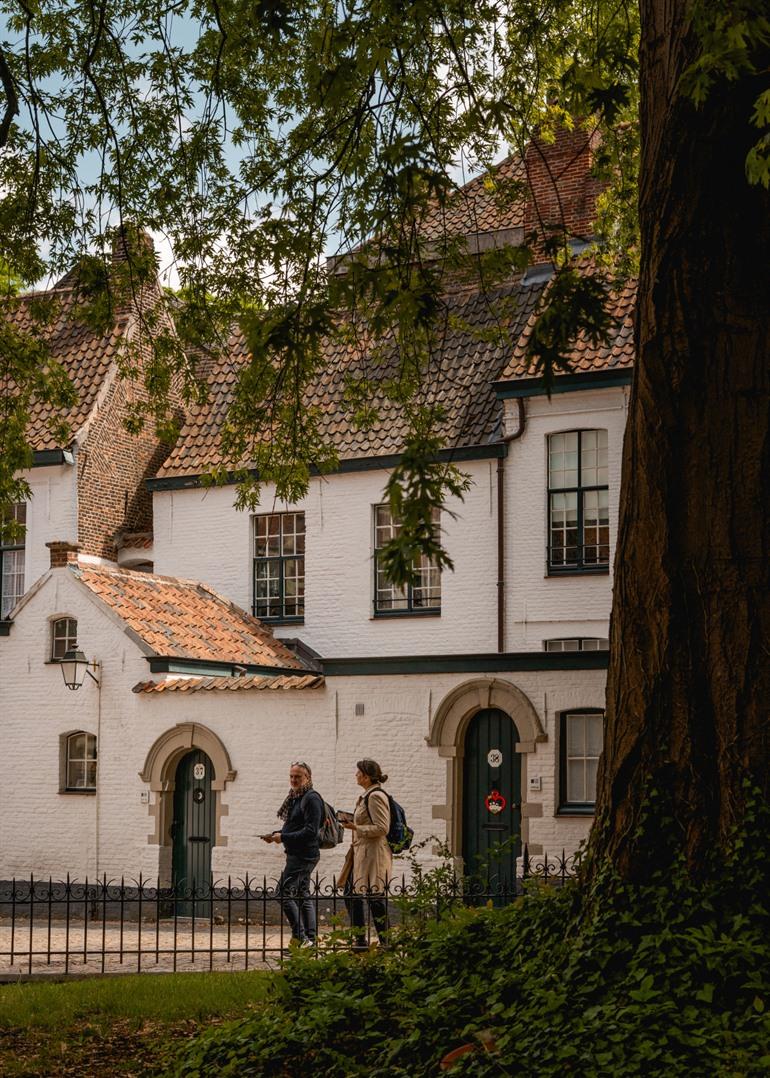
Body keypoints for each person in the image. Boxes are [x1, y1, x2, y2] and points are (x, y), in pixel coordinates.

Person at [260, 760, 323, 948]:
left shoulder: (311, 798)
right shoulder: (295, 797)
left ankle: (300, 937)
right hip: (296, 853)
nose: (293, 780)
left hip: (304, 855)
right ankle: (310, 940)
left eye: (298, 777)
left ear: (308, 777)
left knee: (282, 893)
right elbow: (295, 825)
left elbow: (311, 831)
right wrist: (276, 835)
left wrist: (284, 836)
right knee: (303, 895)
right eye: (291, 776)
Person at [339, 758, 392, 950]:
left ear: (367, 776)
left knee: (374, 897)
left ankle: (385, 941)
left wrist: (356, 827)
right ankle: (360, 939)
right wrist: (352, 821)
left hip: (373, 855)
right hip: (361, 853)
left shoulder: (376, 796)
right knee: (352, 893)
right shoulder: (367, 795)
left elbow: (382, 827)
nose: (356, 775)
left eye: (358, 772)